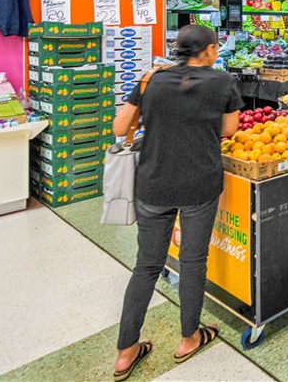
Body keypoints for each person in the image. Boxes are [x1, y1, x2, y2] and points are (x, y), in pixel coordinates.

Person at [112, 24, 243, 381]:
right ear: (210, 50)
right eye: (216, 47)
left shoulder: (151, 80)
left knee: (146, 265)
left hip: (153, 183)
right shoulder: (223, 82)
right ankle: (189, 338)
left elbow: (120, 128)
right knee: (193, 261)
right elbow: (229, 130)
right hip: (199, 183)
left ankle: (126, 351)